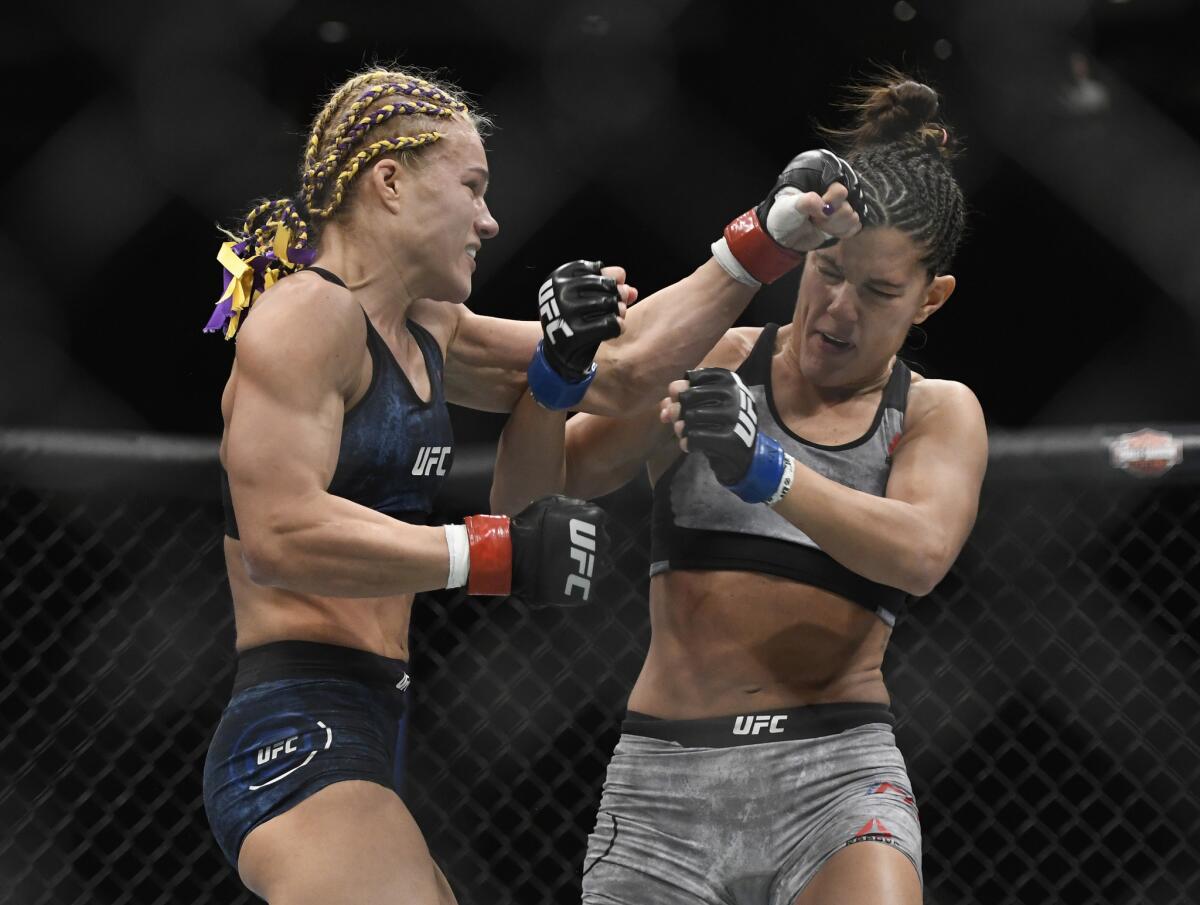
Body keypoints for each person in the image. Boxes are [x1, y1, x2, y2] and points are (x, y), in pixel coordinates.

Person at [198, 65, 864, 905]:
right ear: (390, 183)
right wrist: (492, 550)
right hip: (296, 726)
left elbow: (619, 375)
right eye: (471, 188)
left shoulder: (424, 326)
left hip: (376, 719)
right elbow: (279, 534)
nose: (489, 219)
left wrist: (759, 242)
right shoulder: (305, 317)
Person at [563, 73, 987, 905]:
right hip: (664, 782)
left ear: (930, 298)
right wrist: (557, 364)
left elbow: (922, 550)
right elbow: (563, 474)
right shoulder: (714, 359)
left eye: (879, 290)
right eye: (827, 271)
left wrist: (767, 471)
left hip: (835, 776)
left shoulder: (935, 411)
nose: (837, 306)